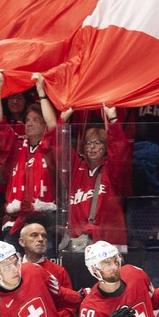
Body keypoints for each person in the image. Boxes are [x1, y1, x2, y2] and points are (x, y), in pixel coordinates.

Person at [49, 99, 129, 252]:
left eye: (97, 143)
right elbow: (59, 147)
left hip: (107, 240)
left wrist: (112, 119)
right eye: (88, 143)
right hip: (78, 242)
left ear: (105, 147)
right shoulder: (75, 167)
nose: (92, 148)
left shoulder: (111, 170)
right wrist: (62, 120)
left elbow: (120, 149)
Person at [0, 71, 57, 241]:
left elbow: (54, 126)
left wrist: (41, 92)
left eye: (35, 120)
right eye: (27, 120)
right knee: (12, 266)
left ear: (43, 125)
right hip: (14, 223)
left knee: (42, 267)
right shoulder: (16, 145)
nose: (30, 123)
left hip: (45, 222)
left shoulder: (50, 147)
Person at [19, 222, 77, 317]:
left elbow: (70, 309)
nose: (41, 239)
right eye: (34, 235)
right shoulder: (13, 272)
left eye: (44, 236)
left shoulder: (59, 272)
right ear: (22, 242)